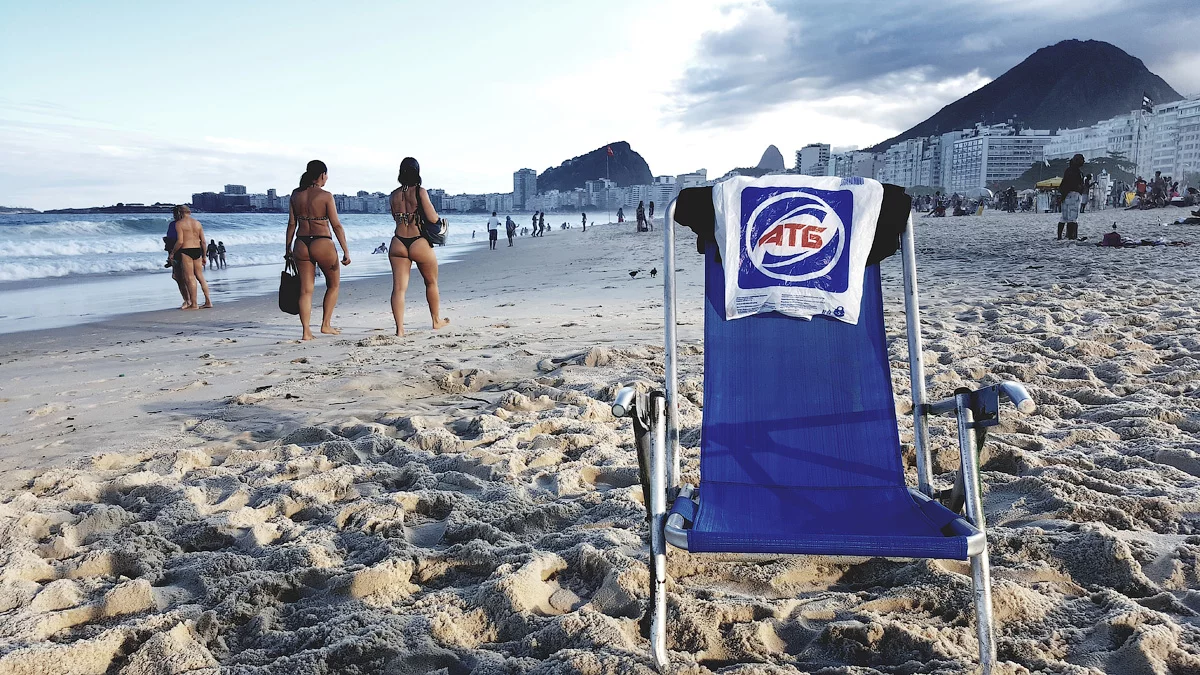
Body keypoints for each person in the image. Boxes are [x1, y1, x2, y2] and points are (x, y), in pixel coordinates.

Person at [286, 159, 351, 340]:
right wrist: (345, 251)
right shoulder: (326, 196)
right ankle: (325, 325)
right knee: (333, 284)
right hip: (322, 242)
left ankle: (306, 332)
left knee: (305, 290)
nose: (327, 178)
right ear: (322, 175)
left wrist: (287, 248)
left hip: (301, 243)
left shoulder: (295, 194)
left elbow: (291, 224)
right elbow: (336, 225)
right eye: (326, 175)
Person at [388, 157, 451, 337]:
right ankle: (436, 320)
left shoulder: (393, 195)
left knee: (399, 288)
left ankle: (400, 329)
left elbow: (395, 216)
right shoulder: (420, 191)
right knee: (431, 282)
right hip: (418, 241)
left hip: (398, 242)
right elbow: (432, 218)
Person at [169, 205, 213, 310]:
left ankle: (194, 304)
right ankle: (208, 301)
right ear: (189, 212)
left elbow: (180, 241)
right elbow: (203, 241)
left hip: (186, 250)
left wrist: (172, 253)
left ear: (180, 212)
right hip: (197, 250)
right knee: (200, 277)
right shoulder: (197, 223)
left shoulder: (179, 224)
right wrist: (204, 255)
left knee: (190, 278)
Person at [1057, 154, 1086, 240]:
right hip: (1074, 195)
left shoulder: (1068, 170)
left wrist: (1062, 196)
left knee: (1064, 218)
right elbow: (1076, 184)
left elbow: (1064, 183)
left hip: (1065, 195)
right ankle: (1071, 237)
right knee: (1073, 218)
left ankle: (1059, 237)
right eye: (1082, 160)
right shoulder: (1077, 172)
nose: (1083, 161)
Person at [163, 218, 188, 307]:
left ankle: (188, 300)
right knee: (183, 277)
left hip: (179, 252)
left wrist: (171, 254)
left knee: (180, 277)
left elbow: (172, 242)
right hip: (183, 251)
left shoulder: (175, 224)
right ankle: (189, 300)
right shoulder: (189, 223)